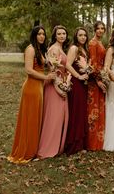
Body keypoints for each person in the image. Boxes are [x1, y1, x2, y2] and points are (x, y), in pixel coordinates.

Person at [8, 26, 55, 164]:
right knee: (30, 119)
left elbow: (45, 64)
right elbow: (28, 70)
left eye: (43, 34)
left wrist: (51, 63)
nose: (42, 36)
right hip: (31, 87)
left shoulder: (40, 50)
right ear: (34, 35)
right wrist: (46, 77)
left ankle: (33, 149)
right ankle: (26, 151)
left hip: (39, 87)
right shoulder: (31, 49)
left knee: (36, 118)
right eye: (39, 34)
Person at [37, 25, 70, 159]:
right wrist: (57, 87)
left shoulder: (61, 48)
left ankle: (57, 146)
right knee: (53, 117)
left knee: (60, 116)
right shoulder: (53, 49)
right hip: (53, 86)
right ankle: (48, 147)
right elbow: (52, 70)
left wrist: (65, 84)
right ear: (55, 36)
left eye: (64, 34)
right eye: (59, 34)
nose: (62, 36)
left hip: (61, 83)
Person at [65, 27, 90, 154]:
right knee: (76, 112)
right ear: (76, 36)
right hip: (76, 83)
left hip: (84, 85)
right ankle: (74, 145)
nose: (83, 37)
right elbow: (68, 65)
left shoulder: (85, 50)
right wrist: (78, 76)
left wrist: (87, 72)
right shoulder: (74, 48)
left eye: (85, 35)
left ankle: (81, 143)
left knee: (81, 113)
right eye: (80, 35)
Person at [87, 21, 106, 150]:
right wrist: (98, 80)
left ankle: (100, 141)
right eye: (98, 28)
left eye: (102, 28)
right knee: (93, 110)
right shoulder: (92, 43)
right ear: (94, 30)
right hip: (94, 81)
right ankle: (92, 142)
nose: (100, 30)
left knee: (100, 108)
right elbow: (93, 63)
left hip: (101, 77)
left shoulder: (100, 43)